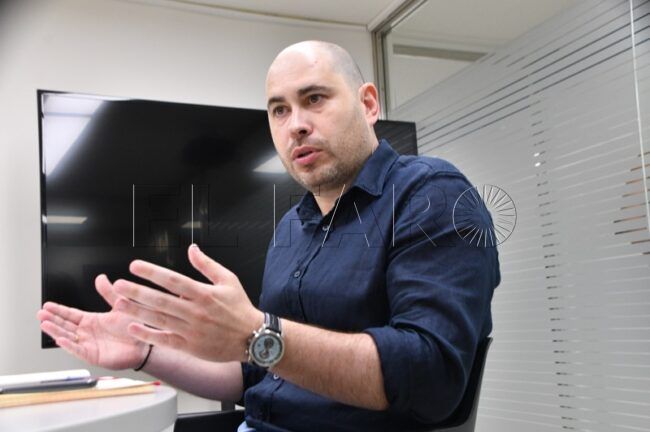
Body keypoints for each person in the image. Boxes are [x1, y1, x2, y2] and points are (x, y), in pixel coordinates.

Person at [37, 40, 500, 432]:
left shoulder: (431, 195)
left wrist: (258, 333)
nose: (295, 124)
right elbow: (255, 372)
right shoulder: (293, 225)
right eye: (279, 109)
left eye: (314, 98)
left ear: (368, 104)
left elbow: (432, 377)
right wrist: (146, 351)